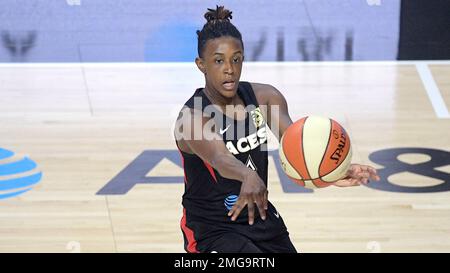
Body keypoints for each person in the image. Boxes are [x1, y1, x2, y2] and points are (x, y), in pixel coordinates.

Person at [174, 5, 380, 253]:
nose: (229, 68)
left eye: (236, 59)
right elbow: (219, 157)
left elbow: (296, 144)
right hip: (212, 229)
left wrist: (332, 171)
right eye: (218, 61)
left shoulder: (265, 98)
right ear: (201, 64)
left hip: (259, 217)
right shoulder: (193, 117)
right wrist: (247, 175)